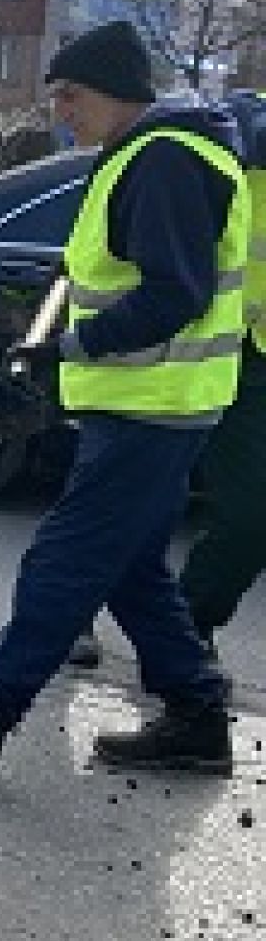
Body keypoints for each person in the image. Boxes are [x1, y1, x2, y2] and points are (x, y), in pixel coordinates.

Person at [0, 20, 247, 777]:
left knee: (67, 559)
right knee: (132, 569)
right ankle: (197, 718)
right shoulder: (148, 155)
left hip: (153, 402)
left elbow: (176, 292)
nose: (60, 111)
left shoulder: (167, 160)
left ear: (113, 92)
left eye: (69, 94)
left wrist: (74, 347)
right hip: (158, 400)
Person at [176, 92, 266, 648]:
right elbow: (241, 123)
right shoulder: (243, 119)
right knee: (126, 502)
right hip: (190, 347)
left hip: (256, 364)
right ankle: (72, 617)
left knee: (250, 517)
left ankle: (187, 627)